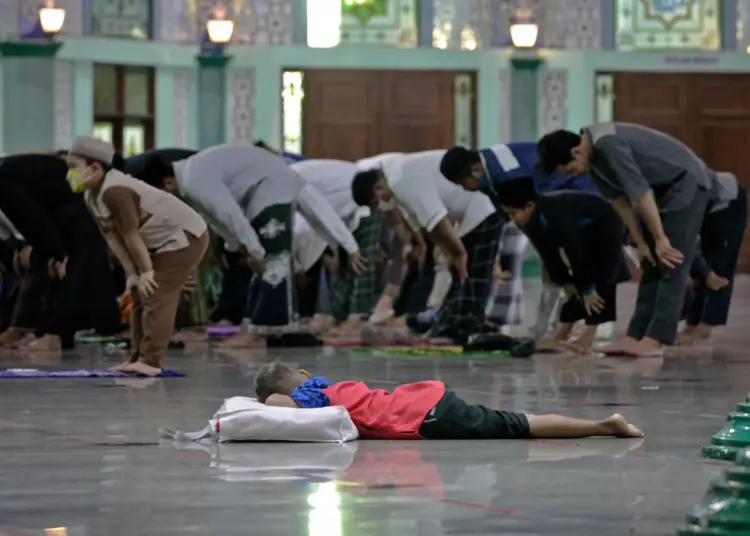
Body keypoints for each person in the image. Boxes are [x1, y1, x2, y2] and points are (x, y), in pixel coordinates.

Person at [139, 143, 362, 348]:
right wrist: (237, 246)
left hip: (269, 188)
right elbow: (219, 219)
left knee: (273, 262)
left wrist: (251, 249)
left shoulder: (194, 179)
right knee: (264, 262)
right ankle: (256, 327)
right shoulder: (191, 176)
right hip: (265, 188)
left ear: (167, 183)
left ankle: (259, 333)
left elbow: (230, 215)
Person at [537, 124, 719, 357]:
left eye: (569, 169)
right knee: (651, 262)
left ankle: (656, 340)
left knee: (671, 261)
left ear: (576, 153)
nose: (572, 175)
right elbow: (620, 201)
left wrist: (661, 238)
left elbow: (640, 193)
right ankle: (635, 335)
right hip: (657, 192)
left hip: (686, 183)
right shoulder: (594, 162)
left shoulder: (607, 145)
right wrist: (642, 242)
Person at [68, 136, 209, 375]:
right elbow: (113, 238)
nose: (69, 174)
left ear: (94, 168)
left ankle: (151, 361)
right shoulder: (91, 196)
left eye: (73, 167)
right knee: (137, 294)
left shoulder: (116, 191)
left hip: (185, 237)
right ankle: (137, 357)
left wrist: (147, 272)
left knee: (155, 293)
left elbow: (131, 234)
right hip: (155, 243)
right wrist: (132, 273)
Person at [253, 362, 644, 440]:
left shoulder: (312, 399)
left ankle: (602, 426)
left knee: (517, 424)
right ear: (304, 373)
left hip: (425, 417)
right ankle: (601, 425)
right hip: (427, 396)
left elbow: (276, 404)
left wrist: (264, 398)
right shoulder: (328, 385)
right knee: (513, 419)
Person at [351, 150, 502, 344]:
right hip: (468, 212)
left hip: (482, 207)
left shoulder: (402, 181)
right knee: (460, 274)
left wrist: (458, 253)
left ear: (379, 189)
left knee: (472, 272)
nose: (381, 206)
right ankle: (455, 323)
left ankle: (462, 329)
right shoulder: (392, 183)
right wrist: (445, 252)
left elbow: (438, 221)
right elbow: (425, 227)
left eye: (376, 202)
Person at [493, 177, 630, 353]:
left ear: (529, 206)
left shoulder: (556, 214)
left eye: (513, 213)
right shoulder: (525, 220)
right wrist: (564, 281)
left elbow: (575, 252)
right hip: (580, 231)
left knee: (600, 280)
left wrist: (587, 288)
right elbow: (547, 252)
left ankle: (587, 338)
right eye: (508, 214)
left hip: (604, 225)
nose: (512, 219)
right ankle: (560, 336)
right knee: (573, 289)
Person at [0, 153, 120, 350]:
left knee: (71, 270)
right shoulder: (7, 173)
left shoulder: (4, 180)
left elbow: (31, 217)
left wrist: (58, 253)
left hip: (76, 212)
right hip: (61, 212)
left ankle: (55, 336)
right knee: (58, 268)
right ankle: (47, 332)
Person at [290, 159, 382, 336]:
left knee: (361, 262)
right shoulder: (284, 183)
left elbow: (319, 219)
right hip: (345, 208)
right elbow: (317, 222)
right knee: (345, 266)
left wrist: (350, 247)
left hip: (364, 195)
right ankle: (339, 315)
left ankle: (355, 320)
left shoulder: (285, 183)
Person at [680, 172, 748, 345]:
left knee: (721, 265)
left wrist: (705, 271)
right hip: (707, 205)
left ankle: (707, 324)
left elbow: (689, 244)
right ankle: (693, 321)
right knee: (701, 265)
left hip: (729, 200)